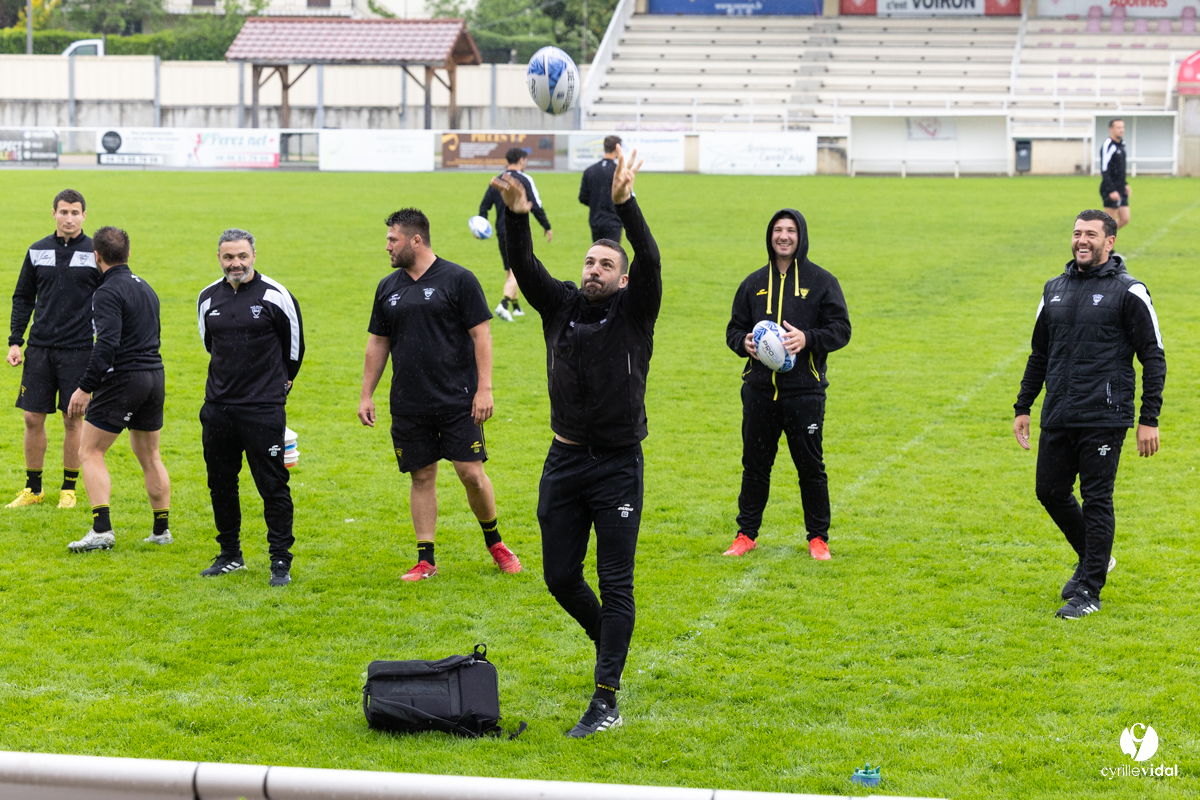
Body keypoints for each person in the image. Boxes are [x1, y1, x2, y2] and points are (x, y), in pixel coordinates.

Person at [490, 145, 659, 738]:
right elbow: (524, 265)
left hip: (616, 465)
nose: (593, 269)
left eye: (605, 265)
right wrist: (515, 213)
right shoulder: (560, 305)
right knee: (560, 577)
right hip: (563, 460)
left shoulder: (636, 311)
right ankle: (609, 636)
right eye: (589, 262)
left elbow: (652, 259)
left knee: (616, 581)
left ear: (622, 277)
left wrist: (626, 206)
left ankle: (606, 697)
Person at [1013, 209, 1165, 620]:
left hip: (1105, 414)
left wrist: (1148, 418)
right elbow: (1040, 353)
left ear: (1109, 242)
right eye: (1077, 233)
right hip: (1059, 410)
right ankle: (1094, 557)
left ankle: (1089, 591)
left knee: (1097, 500)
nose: (1082, 240)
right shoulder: (1054, 289)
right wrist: (1023, 405)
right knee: (1050, 491)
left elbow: (1153, 356)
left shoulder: (1129, 291)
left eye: (1091, 235)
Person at [358, 208, 520, 582]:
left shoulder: (458, 279)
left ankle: (495, 542)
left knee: (471, 474)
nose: (387, 247)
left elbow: (482, 336)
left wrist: (485, 389)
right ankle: (425, 559)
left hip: (458, 400)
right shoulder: (388, 287)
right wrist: (366, 394)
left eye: (392, 240)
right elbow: (377, 343)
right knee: (421, 476)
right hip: (409, 403)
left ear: (416, 240)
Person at [724, 210, 851, 560]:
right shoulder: (752, 284)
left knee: (810, 467)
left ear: (801, 236)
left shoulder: (822, 282)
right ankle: (745, 535)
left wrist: (806, 338)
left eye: (790, 230)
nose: (783, 236)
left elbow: (842, 330)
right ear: (770, 236)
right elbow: (733, 330)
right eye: (777, 230)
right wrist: (743, 344)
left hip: (805, 393)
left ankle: (818, 539)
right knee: (755, 465)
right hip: (759, 392)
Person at [196, 229, 304, 587]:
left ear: (254, 254)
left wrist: (275, 387)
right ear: (219, 258)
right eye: (228, 257)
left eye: (242, 256)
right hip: (218, 408)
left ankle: (280, 561)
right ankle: (230, 555)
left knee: (272, 485)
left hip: (262, 409)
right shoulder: (207, 298)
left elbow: (295, 349)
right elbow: (210, 345)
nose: (236, 263)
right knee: (220, 483)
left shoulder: (276, 295)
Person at [65, 226, 171, 553]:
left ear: (96, 256)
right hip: (154, 376)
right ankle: (161, 530)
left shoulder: (107, 292)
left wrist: (85, 388)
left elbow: (106, 344)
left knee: (90, 451)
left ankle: (101, 530)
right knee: (149, 454)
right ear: (128, 253)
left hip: (125, 378)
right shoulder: (146, 287)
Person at [7, 189, 97, 510]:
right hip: (40, 349)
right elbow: (22, 298)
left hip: (79, 350)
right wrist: (16, 340)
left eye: (75, 212)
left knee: (73, 419)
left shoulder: (95, 253)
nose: (69, 218)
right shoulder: (37, 251)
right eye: (64, 212)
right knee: (32, 418)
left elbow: (112, 301)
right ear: (54, 213)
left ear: (84, 216)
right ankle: (33, 489)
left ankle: (68, 489)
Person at [478, 147, 552, 322]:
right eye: (525, 161)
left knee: (509, 269)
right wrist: (547, 226)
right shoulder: (525, 179)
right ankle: (503, 304)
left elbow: (484, 206)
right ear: (520, 160)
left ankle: (516, 307)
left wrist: (481, 224)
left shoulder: (498, 180)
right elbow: (535, 205)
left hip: (501, 230)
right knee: (519, 268)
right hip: (518, 230)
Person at [578, 135, 624, 244]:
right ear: (617, 148)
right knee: (612, 255)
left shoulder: (590, 170)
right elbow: (625, 197)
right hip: (614, 221)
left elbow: (582, 198)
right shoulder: (618, 171)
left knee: (598, 254)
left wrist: (597, 201)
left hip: (596, 220)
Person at [1100, 119, 1131, 229]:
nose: (1121, 130)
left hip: (1121, 187)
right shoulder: (1108, 145)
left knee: (1125, 219)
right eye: (1118, 127)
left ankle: (1103, 239)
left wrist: (1125, 184)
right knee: (1110, 223)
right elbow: (1105, 169)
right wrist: (1111, 189)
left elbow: (1120, 168)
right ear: (1111, 129)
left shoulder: (1122, 144)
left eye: (1123, 127)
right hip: (1110, 188)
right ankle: (1103, 244)